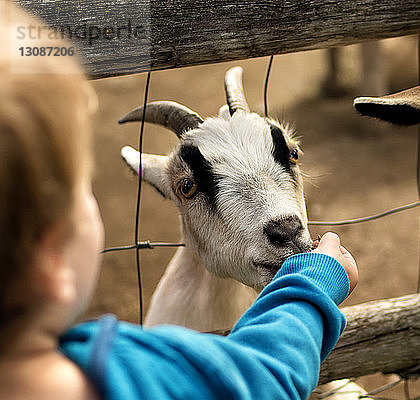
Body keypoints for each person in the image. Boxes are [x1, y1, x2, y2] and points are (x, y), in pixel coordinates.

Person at [0, 3, 358, 400]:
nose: (284, 223)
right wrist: (313, 284)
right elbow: (265, 375)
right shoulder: (138, 371)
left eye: (289, 156)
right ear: (50, 253)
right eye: (79, 189)